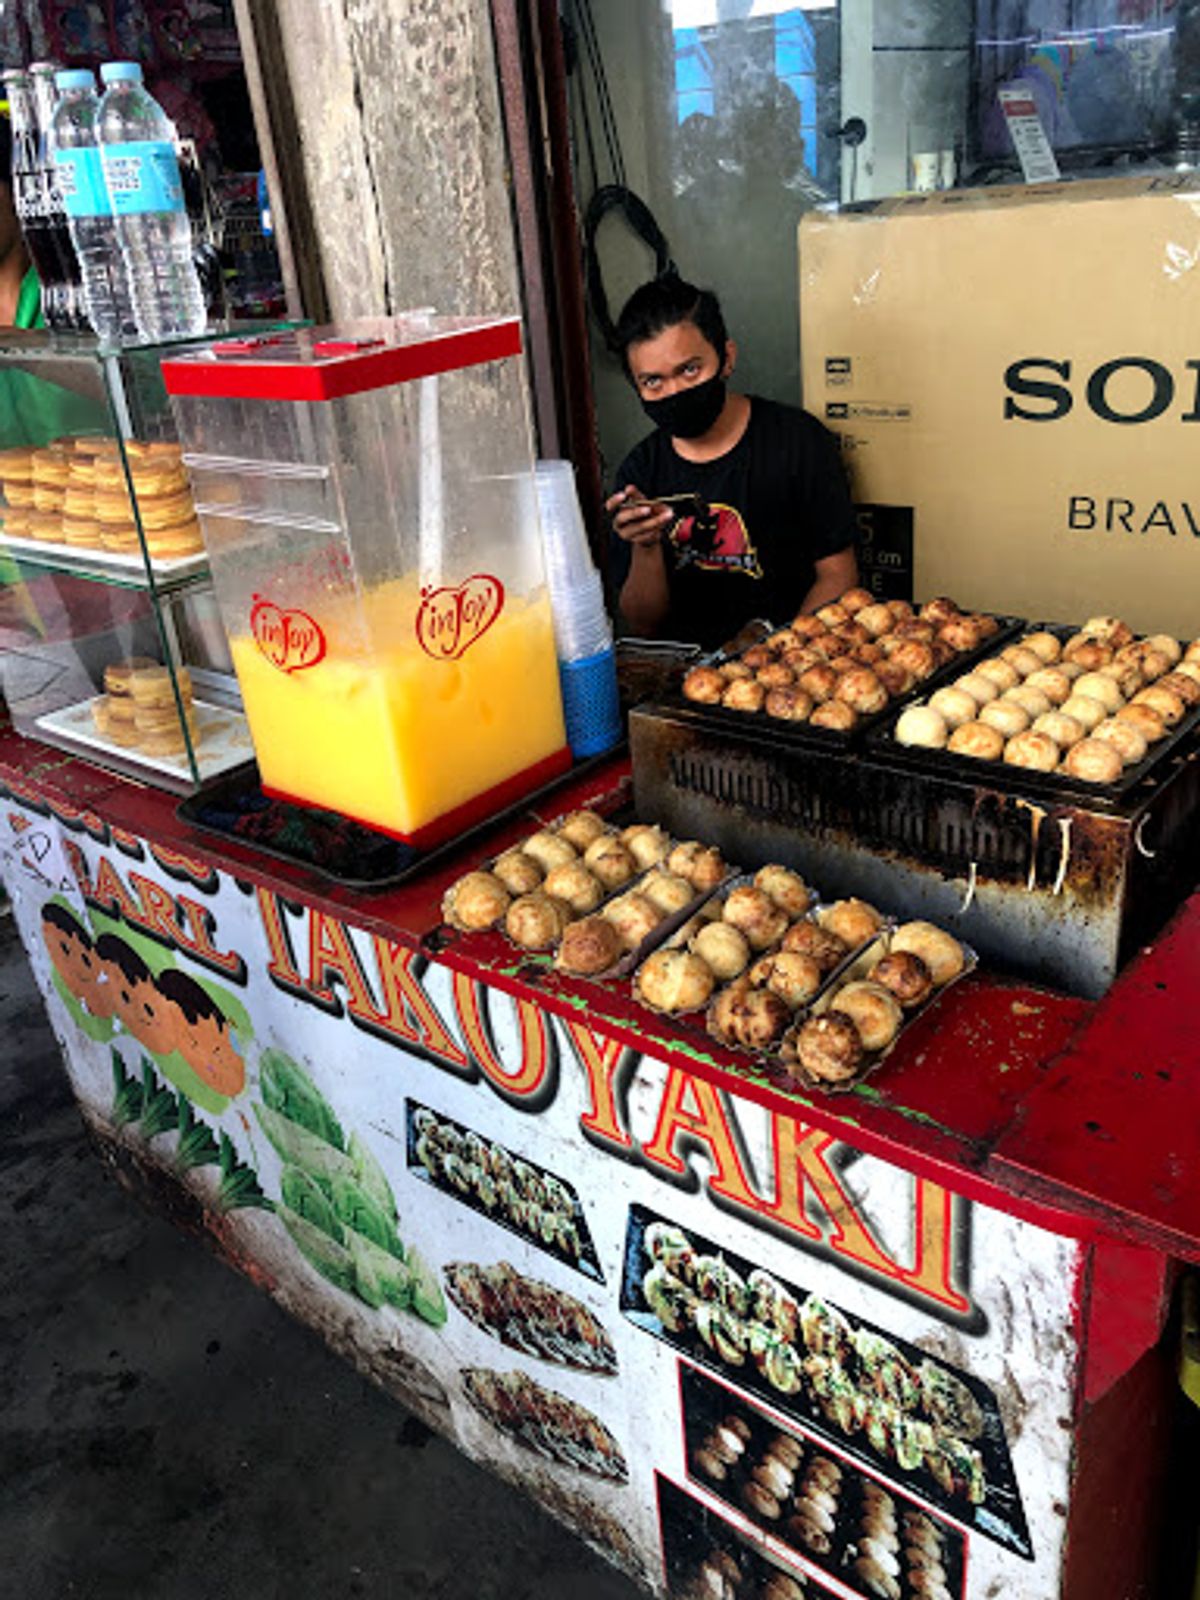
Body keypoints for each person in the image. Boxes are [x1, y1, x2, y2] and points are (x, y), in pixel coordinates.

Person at [606, 274, 858, 649]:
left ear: (727, 357)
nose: (674, 392)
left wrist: (777, 660)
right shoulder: (640, 473)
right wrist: (646, 546)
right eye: (653, 382)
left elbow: (839, 577)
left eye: (689, 369)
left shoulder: (797, 441)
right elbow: (645, 625)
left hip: (795, 661)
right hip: (688, 682)